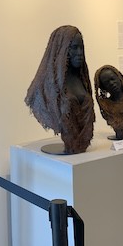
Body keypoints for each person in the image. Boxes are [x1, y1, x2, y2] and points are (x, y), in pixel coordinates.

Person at [24, 25, 95, 154]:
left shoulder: (83, 79)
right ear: (61, 49)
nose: (79, 53)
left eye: (81, 47)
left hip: (82, 156)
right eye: (74, 48)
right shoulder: (46, 87)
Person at [94, 65, 123, 140]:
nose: (111, 83)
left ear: (119, 78)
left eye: (113, 79)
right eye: (106, 83)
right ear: (103, 87)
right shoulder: (105, 105)